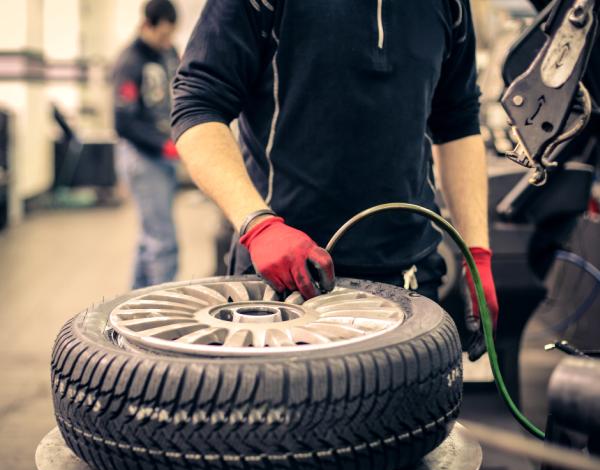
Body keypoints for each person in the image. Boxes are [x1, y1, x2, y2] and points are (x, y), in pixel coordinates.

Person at [171, 0, 498, 360]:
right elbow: (197, 105)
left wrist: (476, 254)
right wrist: (258, 225)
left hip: (411, 280)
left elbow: (459, 122)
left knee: (414, 417)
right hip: (283, 287)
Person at [113, 0, 180, 289]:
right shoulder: (130, 61)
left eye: (171, 35)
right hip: (143, 158)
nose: (167, 42)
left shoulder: (169, 54)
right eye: (162, 35)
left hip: (164, 157)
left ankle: (132, 308)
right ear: (145, 26)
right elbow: (123, 122)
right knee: (163, 244)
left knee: (148, 241)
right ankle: (159, 314)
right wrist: (163, 145)